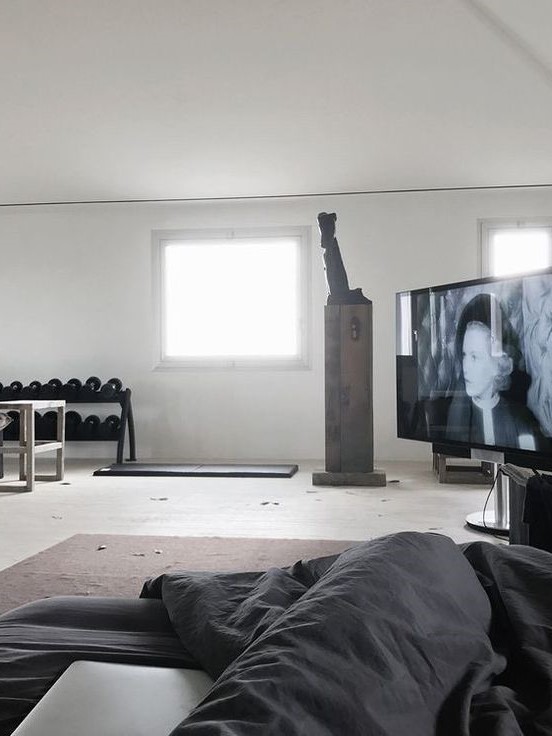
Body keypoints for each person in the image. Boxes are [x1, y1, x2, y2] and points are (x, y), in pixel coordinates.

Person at [445, 293, 546, 451]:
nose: (466, 367)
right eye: (464, 355)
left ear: (499, 363)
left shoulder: (520, 420)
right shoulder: (457, 415)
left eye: (475, 357)